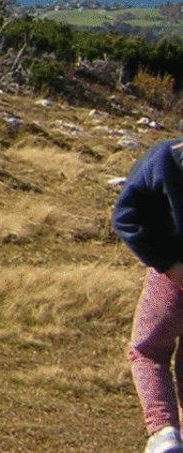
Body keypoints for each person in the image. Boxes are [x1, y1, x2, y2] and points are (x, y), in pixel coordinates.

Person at [113, 137, 183, 453]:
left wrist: (167, 261)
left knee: (148, 350)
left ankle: (163, 433)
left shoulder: (166, 156)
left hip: (171, 274)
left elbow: (127, 214)